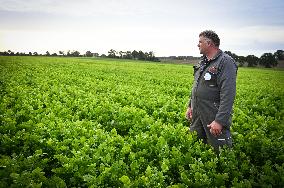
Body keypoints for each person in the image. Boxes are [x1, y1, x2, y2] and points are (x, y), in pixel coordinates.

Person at [185, 30, 238, 153]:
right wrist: (190, 106)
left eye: (200, 42)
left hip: (213, 113)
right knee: (196, 148)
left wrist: (219, 121)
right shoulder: (203, 62)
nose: (198, 45)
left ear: (209, 43)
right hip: (198, 113)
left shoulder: (225, 62)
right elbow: (197, 86)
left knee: (219, 151)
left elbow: (228, 94)